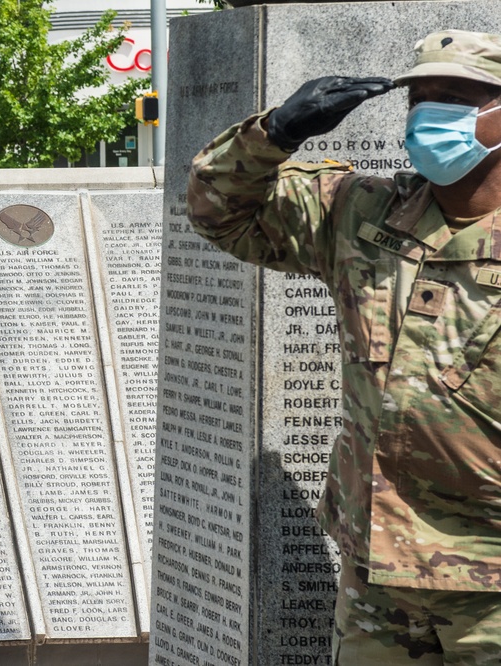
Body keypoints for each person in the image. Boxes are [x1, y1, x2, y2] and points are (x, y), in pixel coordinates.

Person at [188, 29, 501, 664]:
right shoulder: (363, 213)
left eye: (457, 98)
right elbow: (216, 208)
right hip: (375, 570)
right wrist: (275, 131)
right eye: (420, 97)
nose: (430, 114)